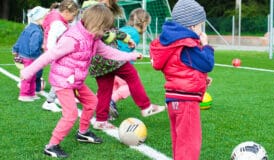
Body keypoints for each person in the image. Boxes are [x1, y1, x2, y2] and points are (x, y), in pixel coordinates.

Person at [20, 4, 142, 158]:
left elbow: (109, 52)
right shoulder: (72, 39)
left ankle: (83, 132)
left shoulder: (94, 38)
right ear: (96, 24)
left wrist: (131, 56)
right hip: (63, 81)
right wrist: (29, 71)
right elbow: (49, 55)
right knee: (70, 114)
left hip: (75, 81)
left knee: (92, 102)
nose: (107, 32)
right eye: (105, 28)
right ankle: (51, 146)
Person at [149, 0, 215, 159]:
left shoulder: (171, 42)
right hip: (187, 102)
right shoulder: (186, 44)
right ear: (192, 26)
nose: (201, 30)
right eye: (200, 25)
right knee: (190, 144)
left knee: (179, 141)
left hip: (173, 100)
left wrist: (202, 80)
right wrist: (206, 45)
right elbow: (207, 63)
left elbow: (180, 68)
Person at [90, 8, 165, 130]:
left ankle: (100, 120)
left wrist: (126, 40)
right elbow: (120, 49)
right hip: (113, 59)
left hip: (98, 63)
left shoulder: (96, 30)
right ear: (144, 23)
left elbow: (114, 34)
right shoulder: (134, 33)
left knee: (105, 90)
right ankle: (146, 107)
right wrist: (130, 55)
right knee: (132, 75)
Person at [41, 0, 79, 112]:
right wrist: (54, 55)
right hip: (56, 54)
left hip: (57, 53)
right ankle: (49, 102)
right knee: (62, 77)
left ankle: (66, 97)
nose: (73, 18)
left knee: (69, 75)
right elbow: (51, 40)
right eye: (73, 15)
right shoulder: (58, 23)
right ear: (66, 12)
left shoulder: (58, 18)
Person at [12, 6, 49, 102]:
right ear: (39, 19)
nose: (46, 20)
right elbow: (33, 47)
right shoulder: (37, 31)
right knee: (29, 77)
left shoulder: (28, 27)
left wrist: (15, 49)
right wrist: (40, 56)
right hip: (30, 57)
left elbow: (20, 39)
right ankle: (24, 95)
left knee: (32, 76)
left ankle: (31, 93)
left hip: (24, 55)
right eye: (45, 18)